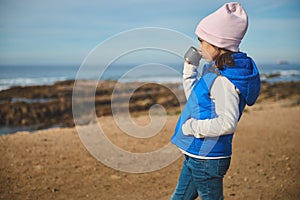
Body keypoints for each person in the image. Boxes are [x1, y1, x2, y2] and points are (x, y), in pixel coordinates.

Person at [171, 2, 261, 200]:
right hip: (197, 154)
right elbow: (196, 100)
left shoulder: (223, 81)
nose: (199, 47)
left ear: (219, 44)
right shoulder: (214, 70)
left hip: (208, 157)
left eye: (203, 42)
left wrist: (192, 127)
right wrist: (189, 70)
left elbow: (227, 123)